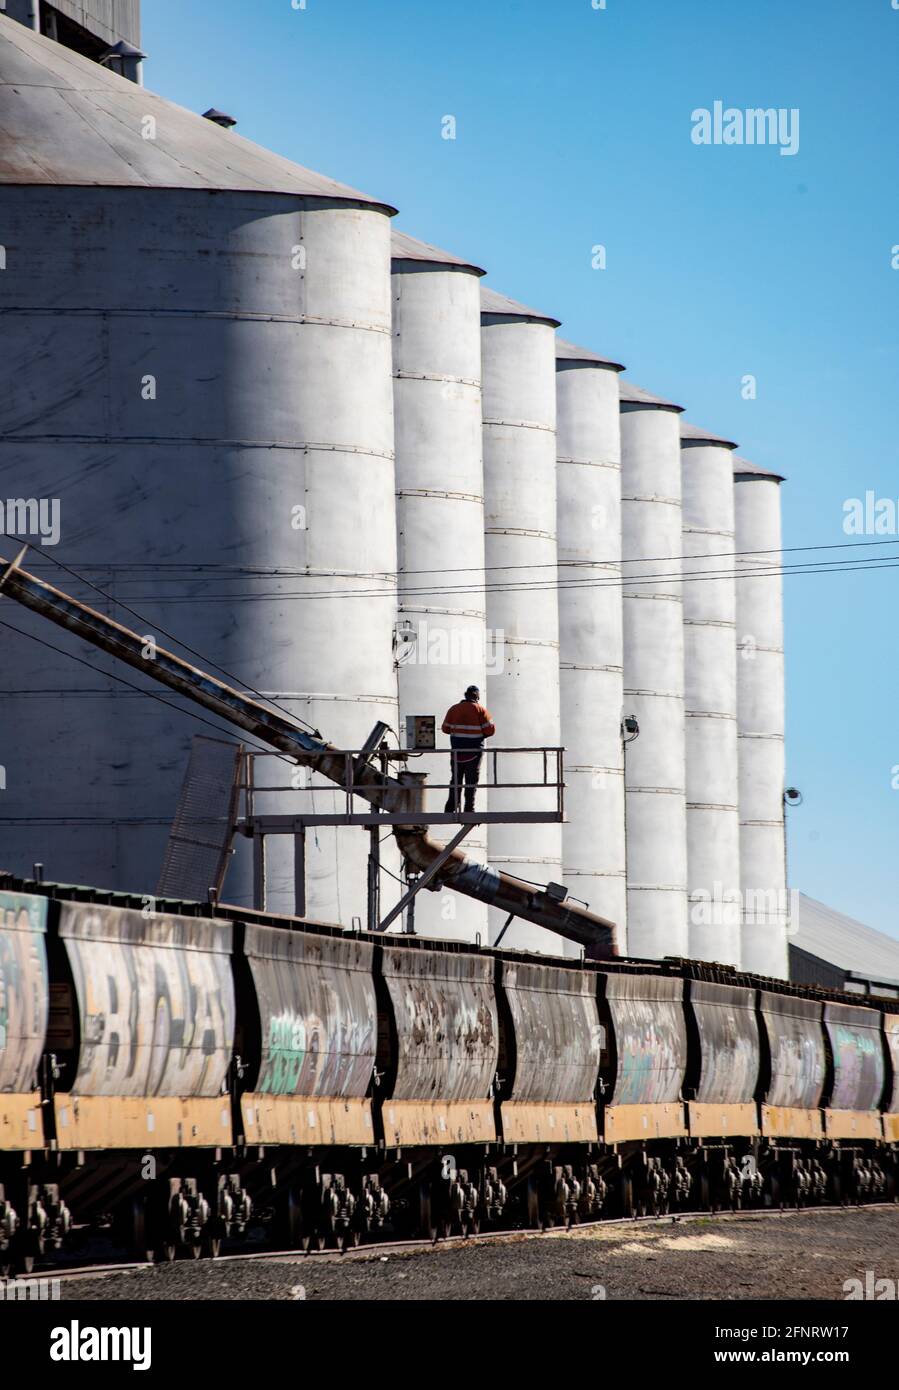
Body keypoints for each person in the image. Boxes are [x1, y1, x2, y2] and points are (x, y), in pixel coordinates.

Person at [441, 685, 495, 814]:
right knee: (471, 781)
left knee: (455, 780)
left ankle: (451, 807)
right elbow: (490, 730)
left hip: (457, 752)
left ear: (465, 695)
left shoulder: (453, 709)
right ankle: (469, 808)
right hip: (474, 752)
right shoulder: (481, 710)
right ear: (477, 696)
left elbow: (445, 729)